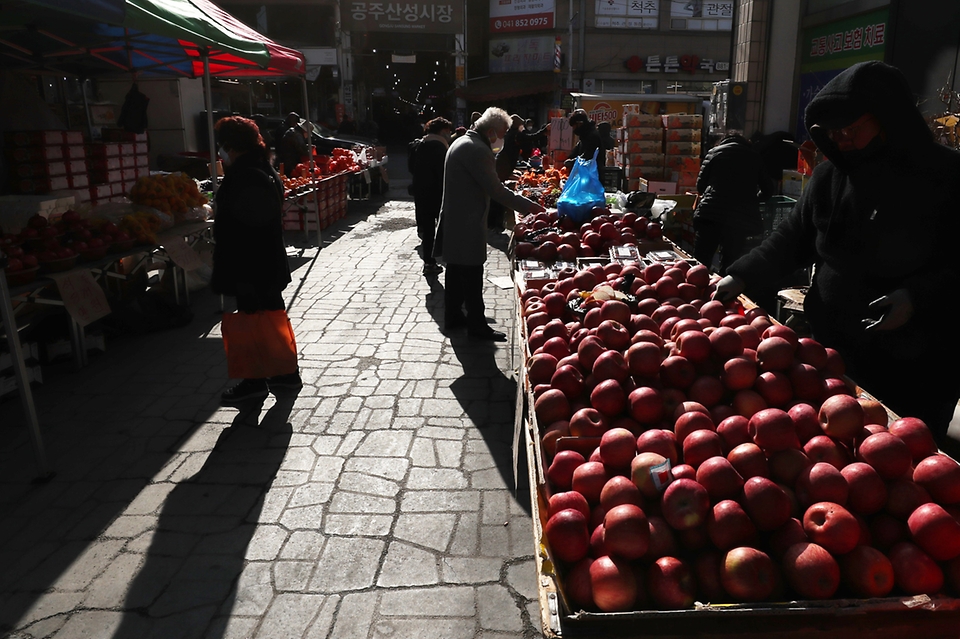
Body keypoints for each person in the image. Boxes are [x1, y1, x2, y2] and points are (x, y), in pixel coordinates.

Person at [713, 61, 960, 446]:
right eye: (833, 132)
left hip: (916, 360)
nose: (841, 139)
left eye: (852, 129)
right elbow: (792, 239)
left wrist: (916, 297)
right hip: (835, 352)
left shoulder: (946, 176)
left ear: (888, 120)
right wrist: (740, 274)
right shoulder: (831, 176)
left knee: (905, 455)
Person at [211, 116, 301, 404]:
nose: (221, 153)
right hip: (264, 262)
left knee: (252, 320)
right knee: (271, 317)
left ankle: (254, 380)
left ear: (231, 146)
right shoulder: (262, 167)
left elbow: (246, 222)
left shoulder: (246, 174)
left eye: (223, 146)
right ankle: (284, 374)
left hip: (249, 263)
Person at [436, 107, 545, 341]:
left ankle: (453, 317)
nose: (504, 138)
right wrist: (531, 207)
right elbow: (496, 190)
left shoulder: (463, 141)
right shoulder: (477, 149)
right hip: (467, 221)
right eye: (504, 132)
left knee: (455, 272)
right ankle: (477, 326)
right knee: (472, 274)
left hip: (456, 218)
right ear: (492, 131)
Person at [692, 134, 776, 273]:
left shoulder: (714, 153)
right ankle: (724, 292)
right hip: (739, 219)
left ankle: (696, 291)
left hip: (710, 214)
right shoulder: (754, 156)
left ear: (723, 141)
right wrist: (753, 199)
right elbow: (768, 190)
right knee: (729, 264)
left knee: (700, 262)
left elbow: (700, 186)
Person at [410, 117, 452, 276]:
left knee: (427, 231)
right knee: (444, 228)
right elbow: (444, 174)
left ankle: (429, 263)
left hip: (421, 193)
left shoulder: (417, 145)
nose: (450, 135)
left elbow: (410, 168)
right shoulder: (441, 149)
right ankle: (450, 260)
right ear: (442, 131)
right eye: (448, 132)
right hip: (437, 194)